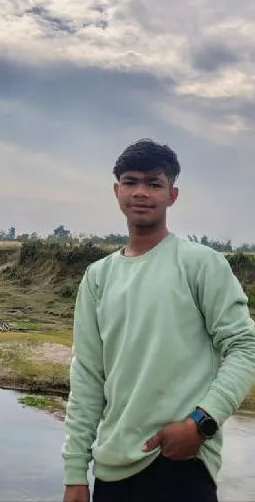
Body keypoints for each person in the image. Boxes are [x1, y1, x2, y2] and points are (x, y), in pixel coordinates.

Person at [61, 139, 255, 502]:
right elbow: (87, 376)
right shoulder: (97, 277)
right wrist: (75, 472)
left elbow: (245, 346)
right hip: (111, 468)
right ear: (117, 191)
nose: (141, 192)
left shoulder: (201, 264)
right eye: (131, 182)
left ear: (172, 194)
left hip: (182, 461)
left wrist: (201, 424)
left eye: (154, 183)